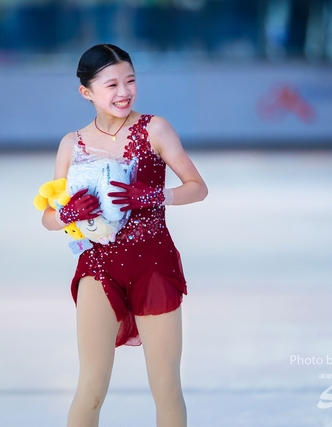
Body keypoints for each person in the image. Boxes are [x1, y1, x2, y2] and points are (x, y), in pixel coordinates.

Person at [41, 44, 208, 427]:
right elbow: (48, 218)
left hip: (154, 266)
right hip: (98, 268)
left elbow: (198, 187)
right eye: (112, 84)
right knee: (91, 387)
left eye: (130, 81)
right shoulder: (72, 144)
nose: (124, 92)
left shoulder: (154, 128)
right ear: (86, 91)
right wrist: (67, 213)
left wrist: (156, 195)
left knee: (166, 387)